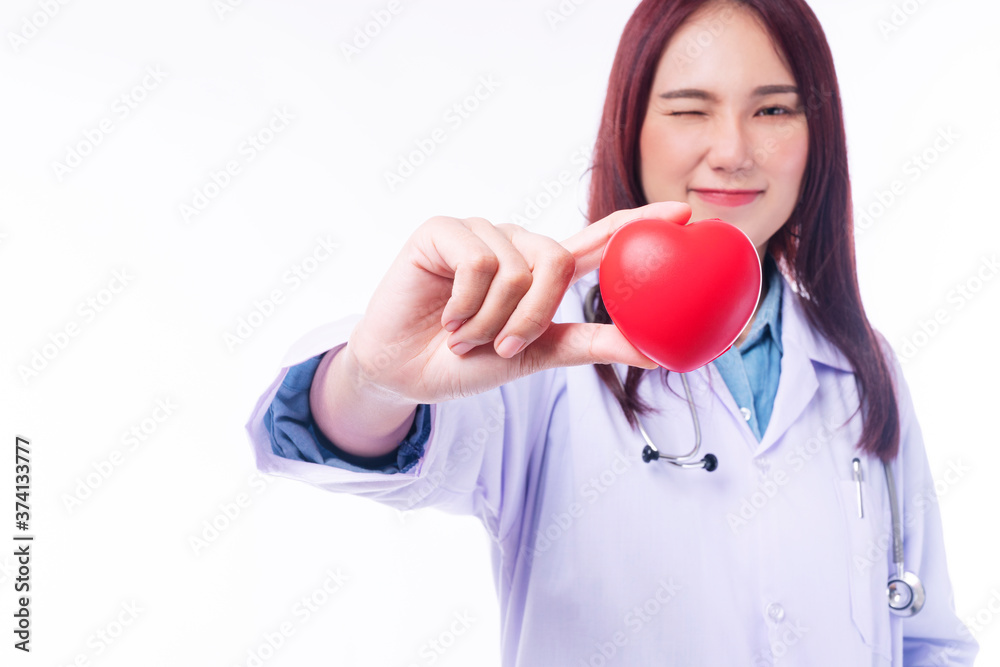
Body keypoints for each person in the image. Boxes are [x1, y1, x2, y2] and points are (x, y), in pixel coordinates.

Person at [245, 0, 979, 664]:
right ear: (631, 129)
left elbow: (927, 642)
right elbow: (362, 435)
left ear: (819, 134)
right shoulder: (537, 341)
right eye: (689, 109)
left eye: (773, 109)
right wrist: (373, 378)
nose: (733, 150)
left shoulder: (863, 366)